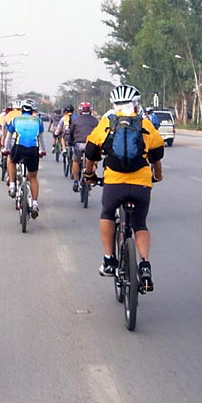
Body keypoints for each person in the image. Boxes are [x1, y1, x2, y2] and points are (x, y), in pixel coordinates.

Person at [84, 85, 164, 292]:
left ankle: (109, 259)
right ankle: (145, 265)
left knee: (107, 214)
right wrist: (158, 175)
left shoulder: (107, 123)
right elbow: (157, 155)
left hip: (114, 182)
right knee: (140, 224)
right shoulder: (145, 123)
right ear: (136, 104)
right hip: (141, 183)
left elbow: (91, 151)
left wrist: (89, 174)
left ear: (114, 105)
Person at [4, 99, 47, 218]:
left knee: (11, 161)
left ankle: (12, 185)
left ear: (21, 110)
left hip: (19, 148)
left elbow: (9, 137)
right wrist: (43, 151)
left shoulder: (15, 119)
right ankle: (34, 203)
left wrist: (5, 149)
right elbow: (41, 138)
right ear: (33, 110)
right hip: (33, 150)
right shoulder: (38, 120)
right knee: (33, 177)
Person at [67, 101, 99, 192]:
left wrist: (70, 143)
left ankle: (76, 181)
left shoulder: (76, 120)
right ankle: (91, 177)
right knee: (93, 160)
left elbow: (71, 133)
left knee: (76, 161)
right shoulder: (95, 120)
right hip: (91, 145)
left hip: (79, 144)